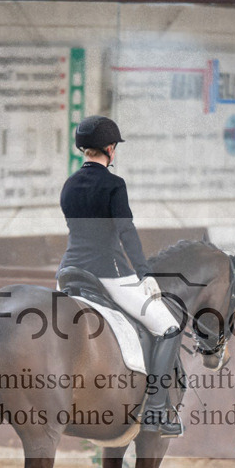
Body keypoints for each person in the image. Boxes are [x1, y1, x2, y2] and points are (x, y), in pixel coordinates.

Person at [58, 115, 183, 437]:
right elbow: (125, 230)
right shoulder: (114, 184)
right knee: (169, 327)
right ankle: (155, 411)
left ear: (83, 149)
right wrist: (144, 273)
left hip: (68, 273)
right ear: (110, 149)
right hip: (108, 273)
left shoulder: (69, 184)